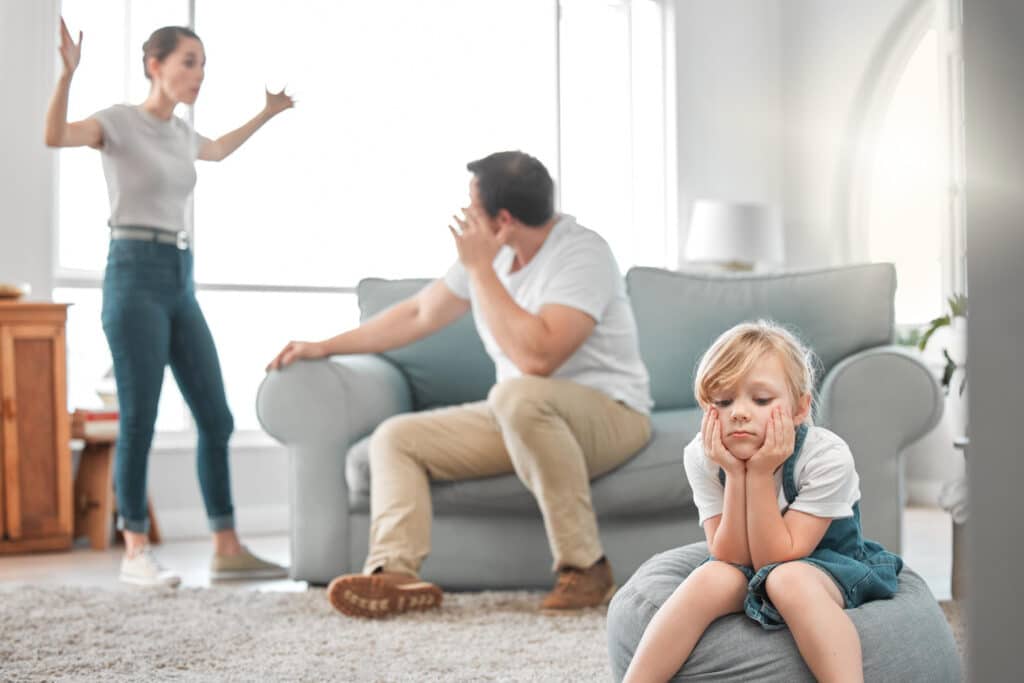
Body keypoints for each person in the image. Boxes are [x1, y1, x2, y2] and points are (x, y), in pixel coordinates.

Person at [268, 150, 653, 618]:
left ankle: (586, 568)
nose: (466, 215)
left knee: (517, 395)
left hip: (611, 414)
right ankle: (394, 575)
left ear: (503, 219)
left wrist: (479, 270)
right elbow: (419, 313)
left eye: (472, 205)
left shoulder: (581, 252)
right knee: (396, 438)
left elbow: (538, 357)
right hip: (522, 414)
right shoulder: (495, 254)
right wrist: (325, 346)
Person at [45, 19, 293, 587]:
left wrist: (267, 113)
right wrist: (67, 75)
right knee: (141, 419)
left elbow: (220, 150)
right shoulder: (117, 123)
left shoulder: (182, 135)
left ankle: (226, 546)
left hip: (179, 275)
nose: (199, 74)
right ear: (154, 64)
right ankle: (135, 549)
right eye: (189, 61)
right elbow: (54, 135)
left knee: (217, 416)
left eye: (203, 63)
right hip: (131, 273)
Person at [622, 321, 902, 683]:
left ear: (800, 409)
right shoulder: (703, 456)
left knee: (786, 580)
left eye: (761, 400)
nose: (739, 412)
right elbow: (729, 554)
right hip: (749, 562)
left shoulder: (826, 456)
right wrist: (736, 475)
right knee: (709, 577)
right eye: (723, 401)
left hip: (823, 563)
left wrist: (759, 473)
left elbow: (779, 557)